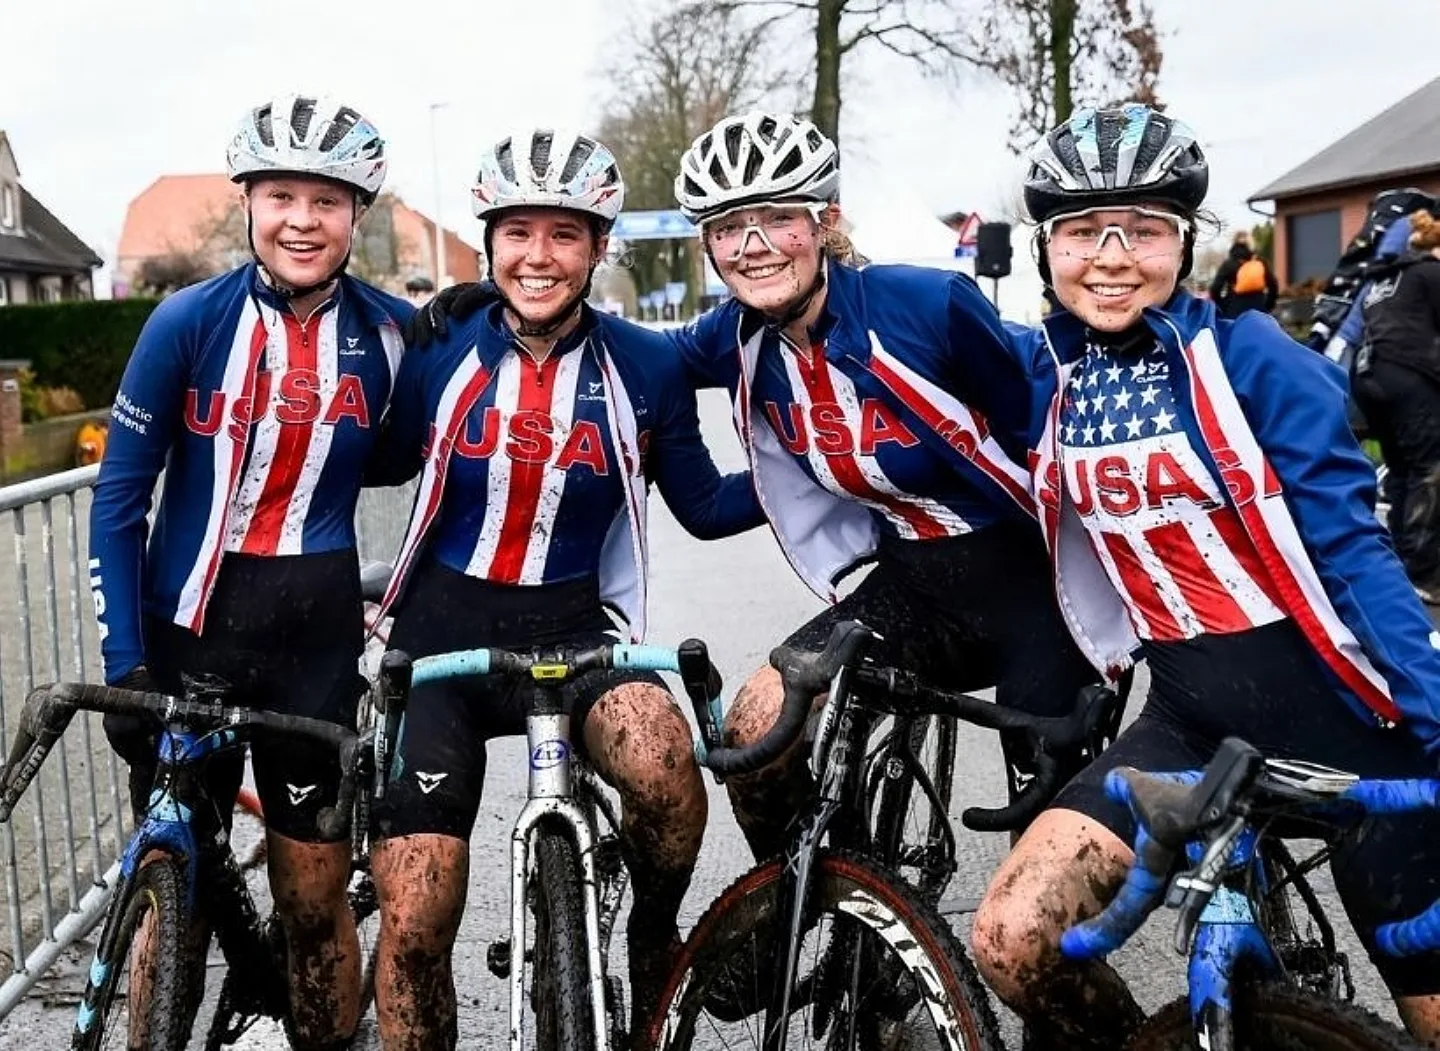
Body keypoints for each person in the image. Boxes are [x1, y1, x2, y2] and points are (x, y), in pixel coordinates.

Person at [968, 104, 1440, 1051]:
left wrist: (1433, 710)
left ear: (1183, 243)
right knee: (1012, 940)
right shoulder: (1043, 377)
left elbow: (1353, 550)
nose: (1110, 255)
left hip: (1349, 718)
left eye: (1142, 229)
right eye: (1080, 231)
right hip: (1186, 718)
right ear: (1045, 250)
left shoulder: (1253, 357)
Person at [365, 128, 764, 1050]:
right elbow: (363, 450)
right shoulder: (440, 344)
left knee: (668, 773)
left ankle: (650, 931)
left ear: (597, 248)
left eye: (565, 235)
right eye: (518, 233)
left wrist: (830, 478)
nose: (538, 256)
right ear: (489, 240)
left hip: (581, 632)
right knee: (416, 914)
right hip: (442, 643)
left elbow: (702, 504)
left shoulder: (646, 364)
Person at [662, 110, 1105, 863]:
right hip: (912, 585)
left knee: (1050, 861)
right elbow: (641, 357)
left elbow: (1043, 433)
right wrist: (493, 315)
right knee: (756, 728)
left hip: (1031, 583)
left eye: (777, 218)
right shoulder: (735, 335)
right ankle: (845, 904)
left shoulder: (928, 305)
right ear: (709, 245)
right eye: (730, 226)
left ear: (825, 221)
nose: (755, 245)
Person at [89, 95, 410, 1049]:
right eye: (281, 196)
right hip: (186, 638)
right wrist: (123, 660)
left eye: (327, 199)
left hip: (312, 646)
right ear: (249, 201)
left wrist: (476, 325)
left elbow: (418, 456)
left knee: (312, 902)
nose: (302, 220)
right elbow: (117, 500)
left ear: (358, 214)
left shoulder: (397, 337)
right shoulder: (186, 322)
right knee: (170, 888)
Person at [1352, 208, 1440, 602]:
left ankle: (1404, 567)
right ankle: (1426, 573)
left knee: (1403, 470)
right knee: (1431, 468)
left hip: (1370, 377)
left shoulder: (1385, 277)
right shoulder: (1429, 274)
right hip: (1409, 375)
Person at [1207, 228, 1278, 318]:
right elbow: (1273, 285)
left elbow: (1215, 289)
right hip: (1259, 310)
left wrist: (1223, 306)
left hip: (1234, 311)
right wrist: (1267, 305)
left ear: (1233, 243)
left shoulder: (1228, 264)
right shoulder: (1260, 262)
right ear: (1251, 243)